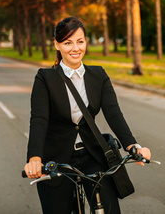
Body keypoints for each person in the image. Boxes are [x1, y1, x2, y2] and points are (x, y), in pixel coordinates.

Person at [24, 16, 151, 213]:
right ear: (57, 45)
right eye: (68, 42)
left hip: (92, 153)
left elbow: (113, 113)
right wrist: (34, 158)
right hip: (57, 158)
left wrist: (133, 146)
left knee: (108, 210)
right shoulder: (45, 78)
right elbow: (39, 119)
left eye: (80, 41)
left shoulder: (98, 75)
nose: (75, 48)